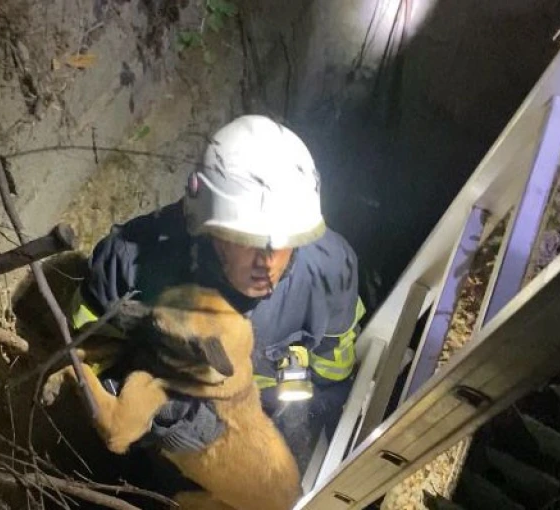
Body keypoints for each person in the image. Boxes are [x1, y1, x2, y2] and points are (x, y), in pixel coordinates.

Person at [68, 114, 365, 492]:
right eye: (249, 240)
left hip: (268, 424)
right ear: (209, 229)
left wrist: (291, 423)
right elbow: (85, 356)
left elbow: (333, 371)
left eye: (284, 240)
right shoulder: (133, 265)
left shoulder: (329, 272)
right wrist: (163, 412)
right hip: (174, 444)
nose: (268, 261)